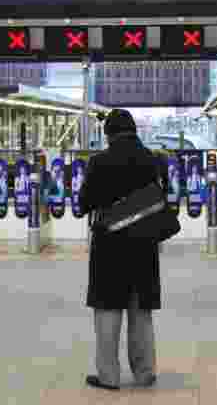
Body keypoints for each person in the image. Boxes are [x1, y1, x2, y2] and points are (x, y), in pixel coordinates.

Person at [78, 109, 168, 391]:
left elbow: (84, 204)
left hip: (110, 246)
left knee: (108, 309)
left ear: (108, 134)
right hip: (144, 243)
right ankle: (145, 372)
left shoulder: (99, 162)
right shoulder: (153, 160)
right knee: (141, 309)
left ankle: (109, 376)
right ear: (134, 130)